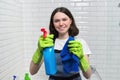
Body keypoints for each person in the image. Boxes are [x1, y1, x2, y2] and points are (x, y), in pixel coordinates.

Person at [30, 7, 92, 80]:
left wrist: (81, 58)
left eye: (64, 19)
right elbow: (32, 71)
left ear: (70, 21)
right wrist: (39, 51)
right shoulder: (48, 43)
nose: (61, 23)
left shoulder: (79, 43)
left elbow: (88, 75)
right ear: (53, 24)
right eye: (57, 21)